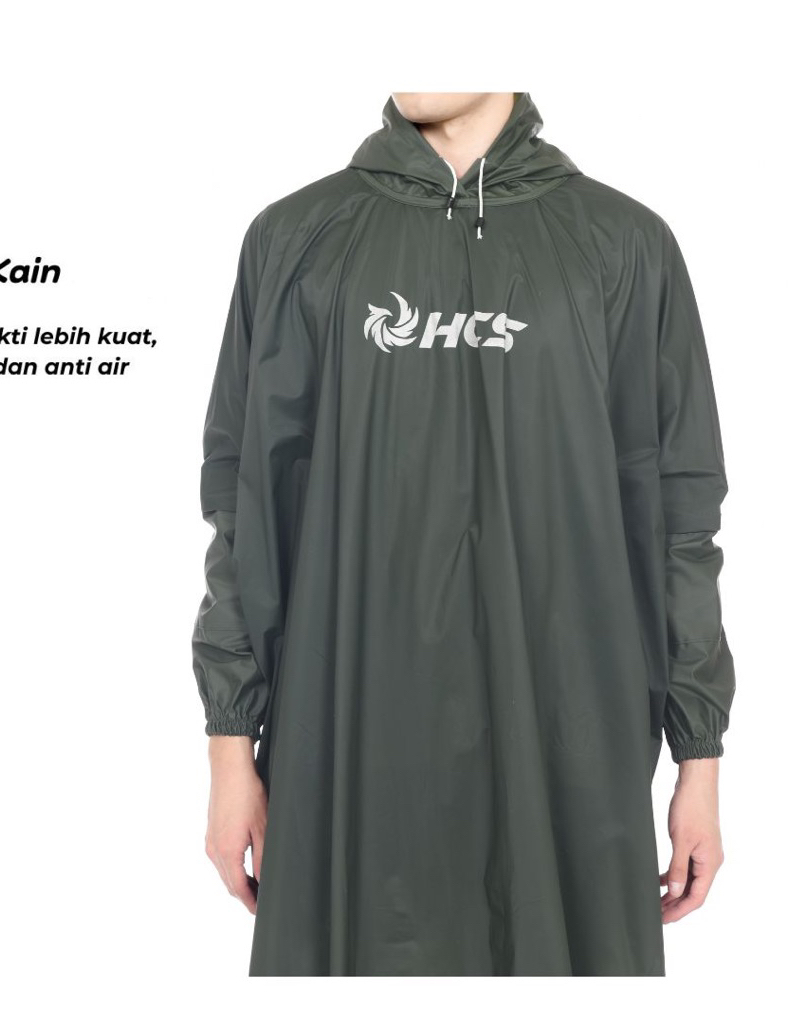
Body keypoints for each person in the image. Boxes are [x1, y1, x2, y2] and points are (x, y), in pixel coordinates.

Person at [191, 91, 735, 977]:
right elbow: (244, 510)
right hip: (346, 748)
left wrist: (698, 762)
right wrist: (229, 751)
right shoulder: (295, 239)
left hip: (567, 749)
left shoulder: (625, 245)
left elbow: (679, 516)